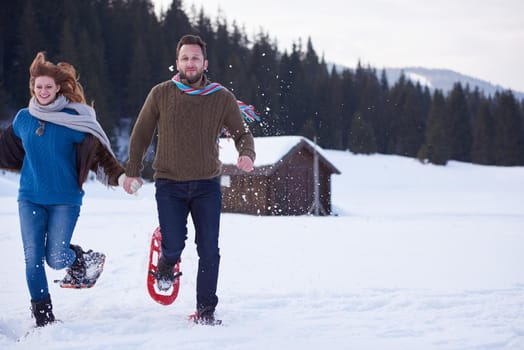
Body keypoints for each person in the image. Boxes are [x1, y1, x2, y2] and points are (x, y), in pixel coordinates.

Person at [122, 34, 256, 325]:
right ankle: (167, 262)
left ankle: (206, 311)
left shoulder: (221, 97)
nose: (190, 63)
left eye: (195, 58)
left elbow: (242, 133)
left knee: (209, 248)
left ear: (204, 63)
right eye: (185, 58)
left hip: (207, 184)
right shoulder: (160, 93)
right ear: (177, 62)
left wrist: (246, 153)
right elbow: (142, 132)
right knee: (174, 243)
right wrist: (132, 169)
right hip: (169, 184)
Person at [0, 52, 132, 327]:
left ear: (58, 87)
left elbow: (99, 156)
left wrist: (121, 178)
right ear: (32, 88)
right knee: (32, 257)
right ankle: (43, 318)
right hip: (30, 198)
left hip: (65, 200)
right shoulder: (24, 119)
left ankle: (81, 259)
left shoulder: (73, 119)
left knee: (56, 258)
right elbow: (5, 148)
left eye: (49, 86)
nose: (44, 91)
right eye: (39, 87)